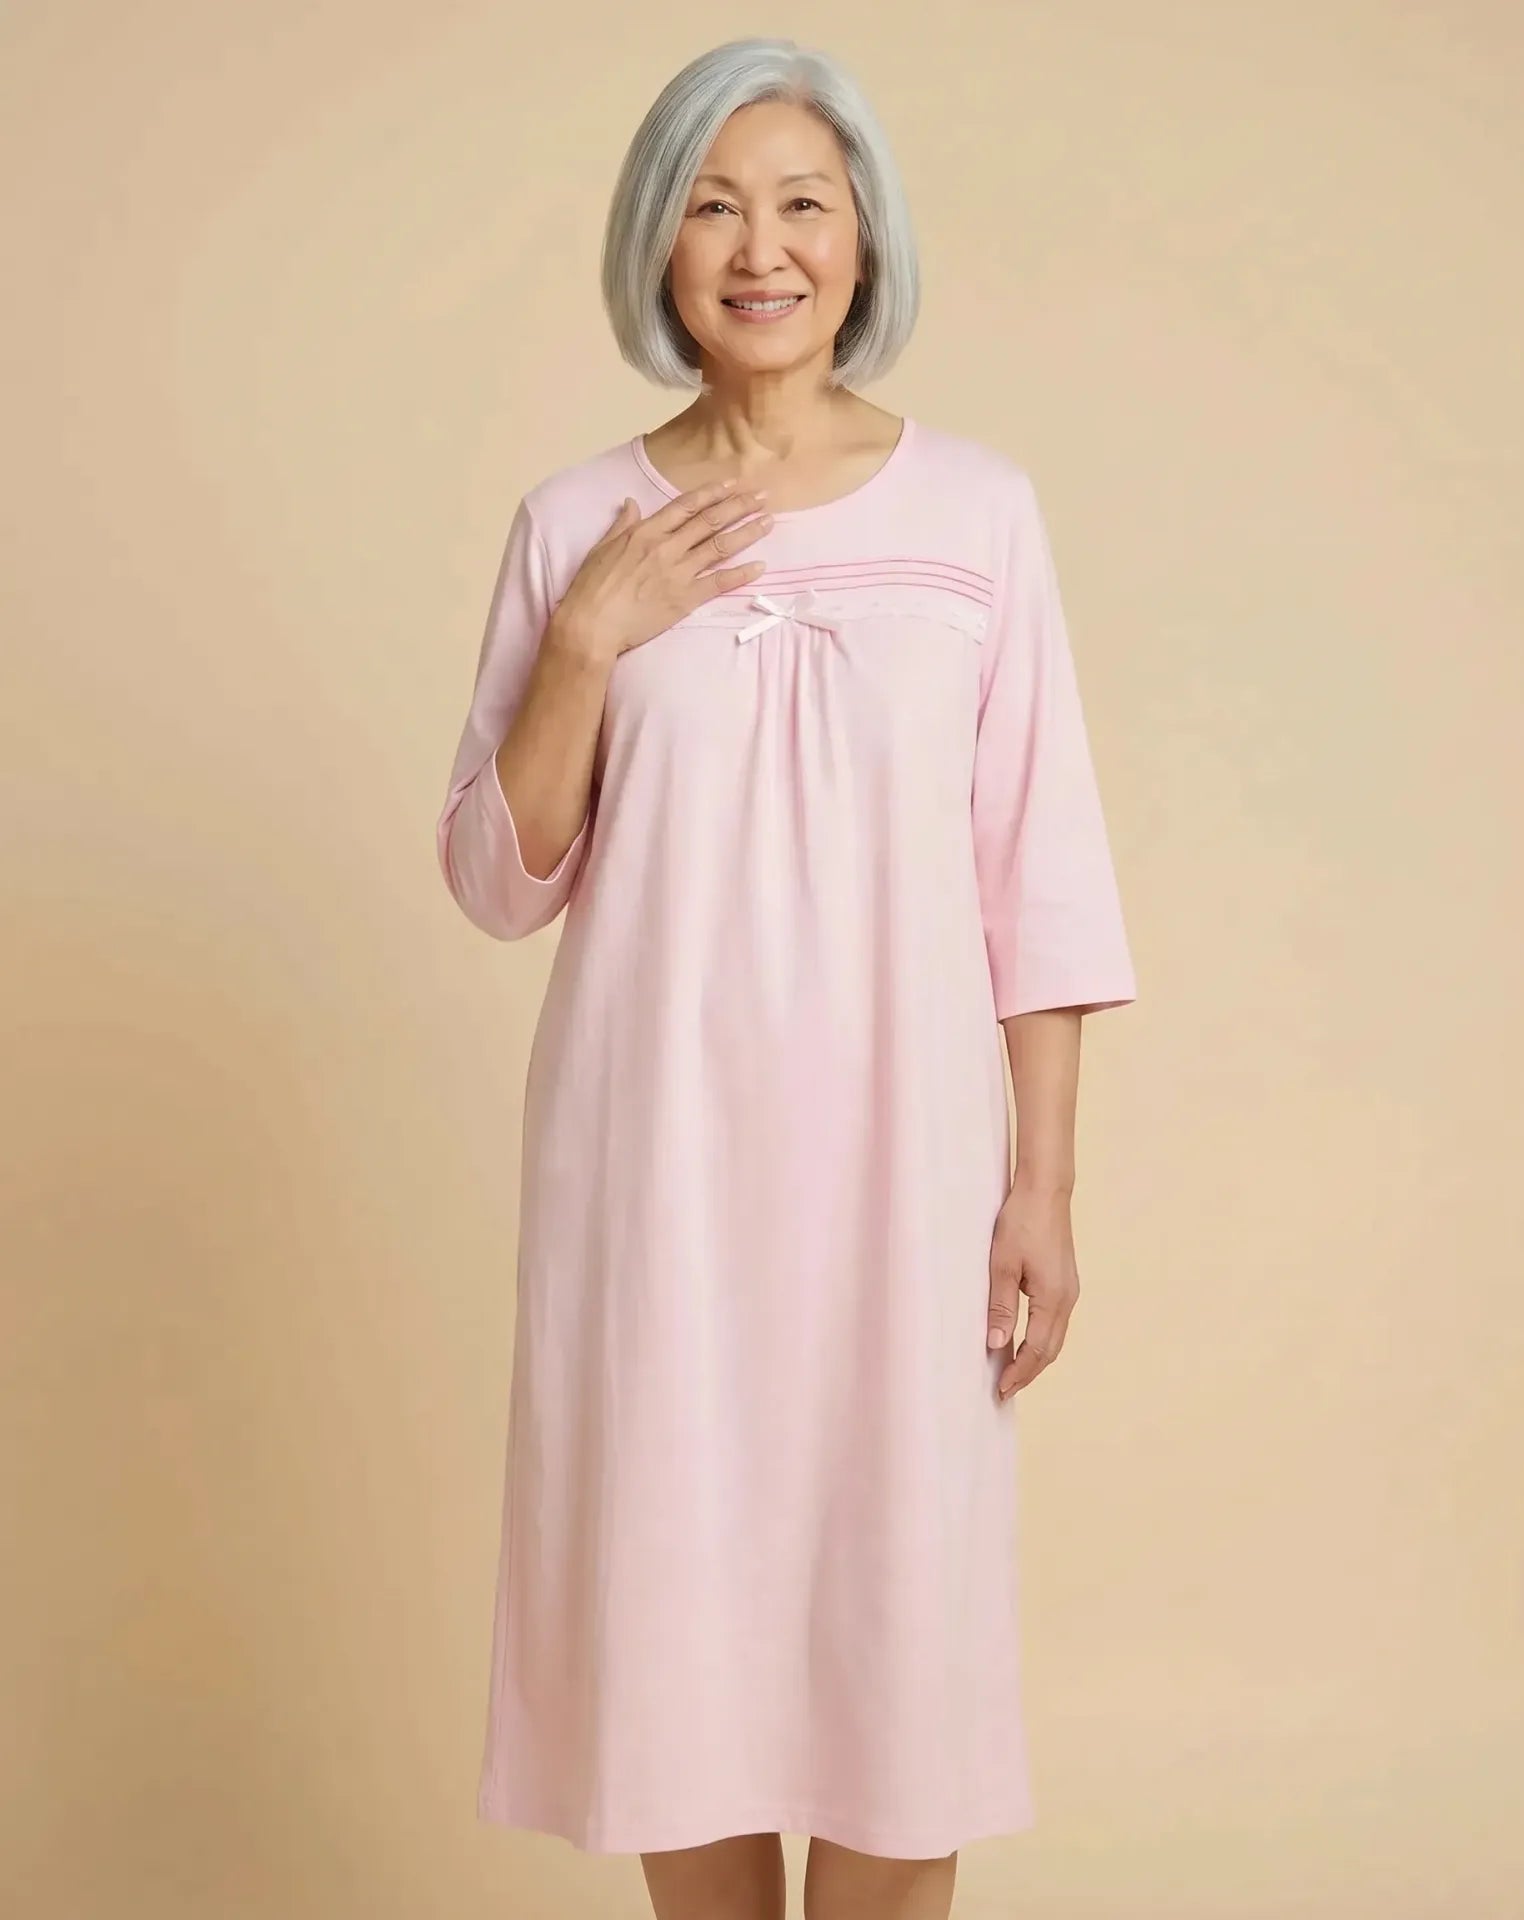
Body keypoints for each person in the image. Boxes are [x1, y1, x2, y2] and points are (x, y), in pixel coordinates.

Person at [434, 35, 1138, 1920]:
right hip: (651, 1175)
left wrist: (1043, 1185)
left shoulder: (980, 514)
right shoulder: (574, 522)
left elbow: (1039, 874)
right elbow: (499, 883)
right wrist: (587, 643)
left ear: (862, 240)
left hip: (901, 1180)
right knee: (682, 1659)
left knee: (901, 1657)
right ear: (658, 248)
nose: (762, 246)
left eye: (802, 203)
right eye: (713, 204)